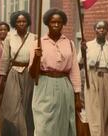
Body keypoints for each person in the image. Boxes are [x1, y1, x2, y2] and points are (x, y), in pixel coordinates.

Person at [29, 8, 82, 136]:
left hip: (64, 85)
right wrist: (37, 57)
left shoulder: (69, 43)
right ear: (47, 23)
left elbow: (74, 70)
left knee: (63, 123)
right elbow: (32, 73)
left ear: (63, 23)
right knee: (43, 125)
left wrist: (77, 97)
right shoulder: (38, 43)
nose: (56, 25)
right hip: (44, 84)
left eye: (59, 22)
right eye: (53, 22)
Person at [0, 11, 35, 136]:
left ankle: (26, 132)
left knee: (26, 105)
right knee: (13, 105)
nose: (21, 24)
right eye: (18, 21)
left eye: (24, 21)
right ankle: (16, 131)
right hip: (13, 73)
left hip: (29, 74)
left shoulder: (34, 38)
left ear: (28, 23)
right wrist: (2, 78)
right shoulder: (9, 38)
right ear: (14, 23)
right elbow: (4, 59)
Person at [79, 21, 108, 136]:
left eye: (104, 28)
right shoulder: (87, 45)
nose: (101, 30)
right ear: (95, 29)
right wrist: (83, 51)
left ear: (107, 31)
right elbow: (79, 64)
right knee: (95, 111)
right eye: (99, 28)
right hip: (92, 78)